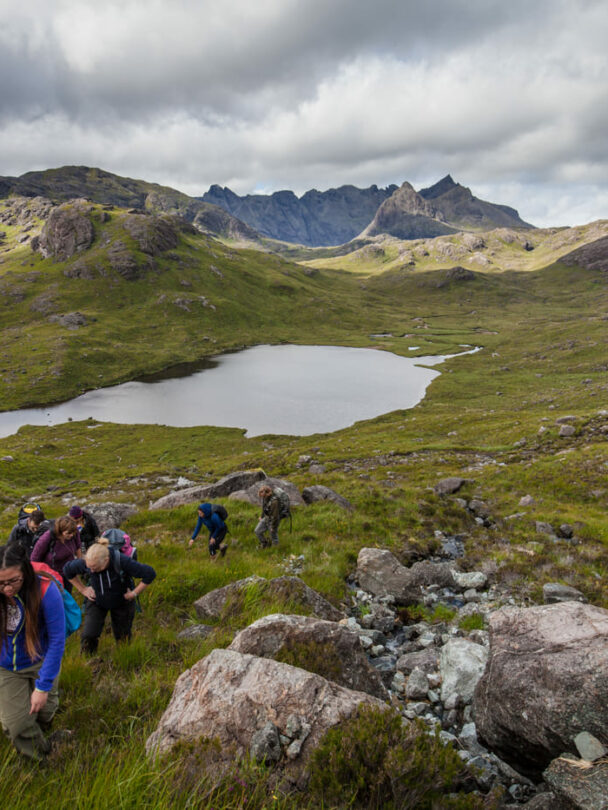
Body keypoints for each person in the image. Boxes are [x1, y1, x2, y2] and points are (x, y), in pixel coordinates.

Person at [0, 544, 66, 760]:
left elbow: (57, 640)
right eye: (1, 583)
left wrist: (43, 686)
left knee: (45, 712)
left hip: (41, 660)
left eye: (13, 581)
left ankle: (43, 731)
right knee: (16, 724)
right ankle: (41, 760)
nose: (7, 589)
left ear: (25, 572)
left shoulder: (45, 590)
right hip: (6, 668)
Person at [64, 540, 156, 655]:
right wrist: (83, 589)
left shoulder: (121, 561)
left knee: (123, 637)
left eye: (95, 568)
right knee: (89, 634)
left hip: (122, 602)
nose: (91, 571)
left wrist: (134, 593)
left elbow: (149, 574)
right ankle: (88, 660)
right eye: (89, 568)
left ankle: (124, 658)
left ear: (106, 561)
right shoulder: (87, 563)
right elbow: (67, 571)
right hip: (96, 601)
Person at [30, 516, 82, 593]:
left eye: (73, 533)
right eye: (68, 533)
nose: (71, 535)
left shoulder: (74, 532)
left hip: (68, 571)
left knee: (67, 594)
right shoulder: (46, 539)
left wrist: (79, 564)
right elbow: (34, 560)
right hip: (53, 575)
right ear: (60, 531)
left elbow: (78, 547)